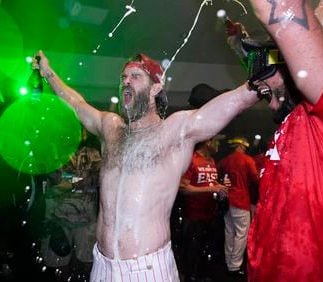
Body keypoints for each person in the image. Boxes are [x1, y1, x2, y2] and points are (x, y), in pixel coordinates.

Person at [33, 49, 261, 281]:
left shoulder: (173, 131)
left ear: (155, 88)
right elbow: (76, 103)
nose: (126, 82)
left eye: (135, 77)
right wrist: (49, 73)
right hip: (102, 265)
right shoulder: (111, 128)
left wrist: (262, 79)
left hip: (147, 269)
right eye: (123, 78)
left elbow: (233, 103)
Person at [226, 0, 323, 281]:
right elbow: (275, 73)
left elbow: (276, 11)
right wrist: (245, 53)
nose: (271, 105)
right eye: (264, 95)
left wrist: (310, 20)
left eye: (269, 90)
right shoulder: (293, 117)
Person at [40, 127, 102, 280]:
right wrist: (79, 180)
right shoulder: (53, 153)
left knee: (88, 262)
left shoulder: (93, 153)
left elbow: (98, 178)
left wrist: (73, 183)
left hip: (86, 218)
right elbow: (56, 176)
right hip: (59, 218)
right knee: (59, 263)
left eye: (80, 132)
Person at [178, 136, 228, 281]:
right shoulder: (191, 159)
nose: (218, 144)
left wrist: (221, 189)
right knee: (191, 255)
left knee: (205, 255)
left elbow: (210, 185)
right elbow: (183, 188)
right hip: (193, 217)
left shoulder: (212, 161)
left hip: (210, 215)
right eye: (216, 141)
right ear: (208, 141)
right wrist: (211, 189)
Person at [216, 136, 259, 277]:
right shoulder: (247, 160)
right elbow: (255, 179)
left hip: (227, 200)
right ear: (242, 147)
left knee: (229, 232)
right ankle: (235, 265)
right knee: (241, 234)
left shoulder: (224, 161)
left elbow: (218, 176)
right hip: (241, 200)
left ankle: (229, 262)